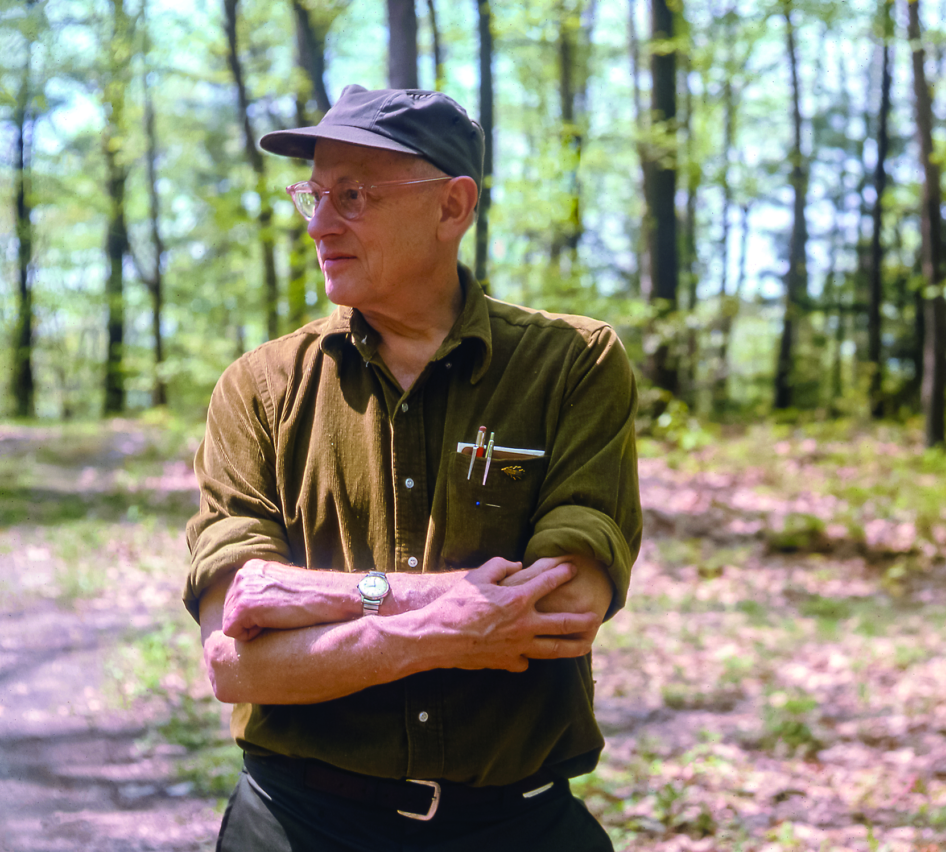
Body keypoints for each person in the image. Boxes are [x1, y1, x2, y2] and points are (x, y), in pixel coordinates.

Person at [185, 84, 642, 852]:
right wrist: (446, 620)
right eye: (315, 195)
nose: (320, 224)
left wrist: (307, 601)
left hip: (514, 826)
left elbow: (566, 606)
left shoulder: (572, 364)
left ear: (452, 207)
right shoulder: (259, 388)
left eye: (354, 195)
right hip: (298, 825)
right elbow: (235, 660)